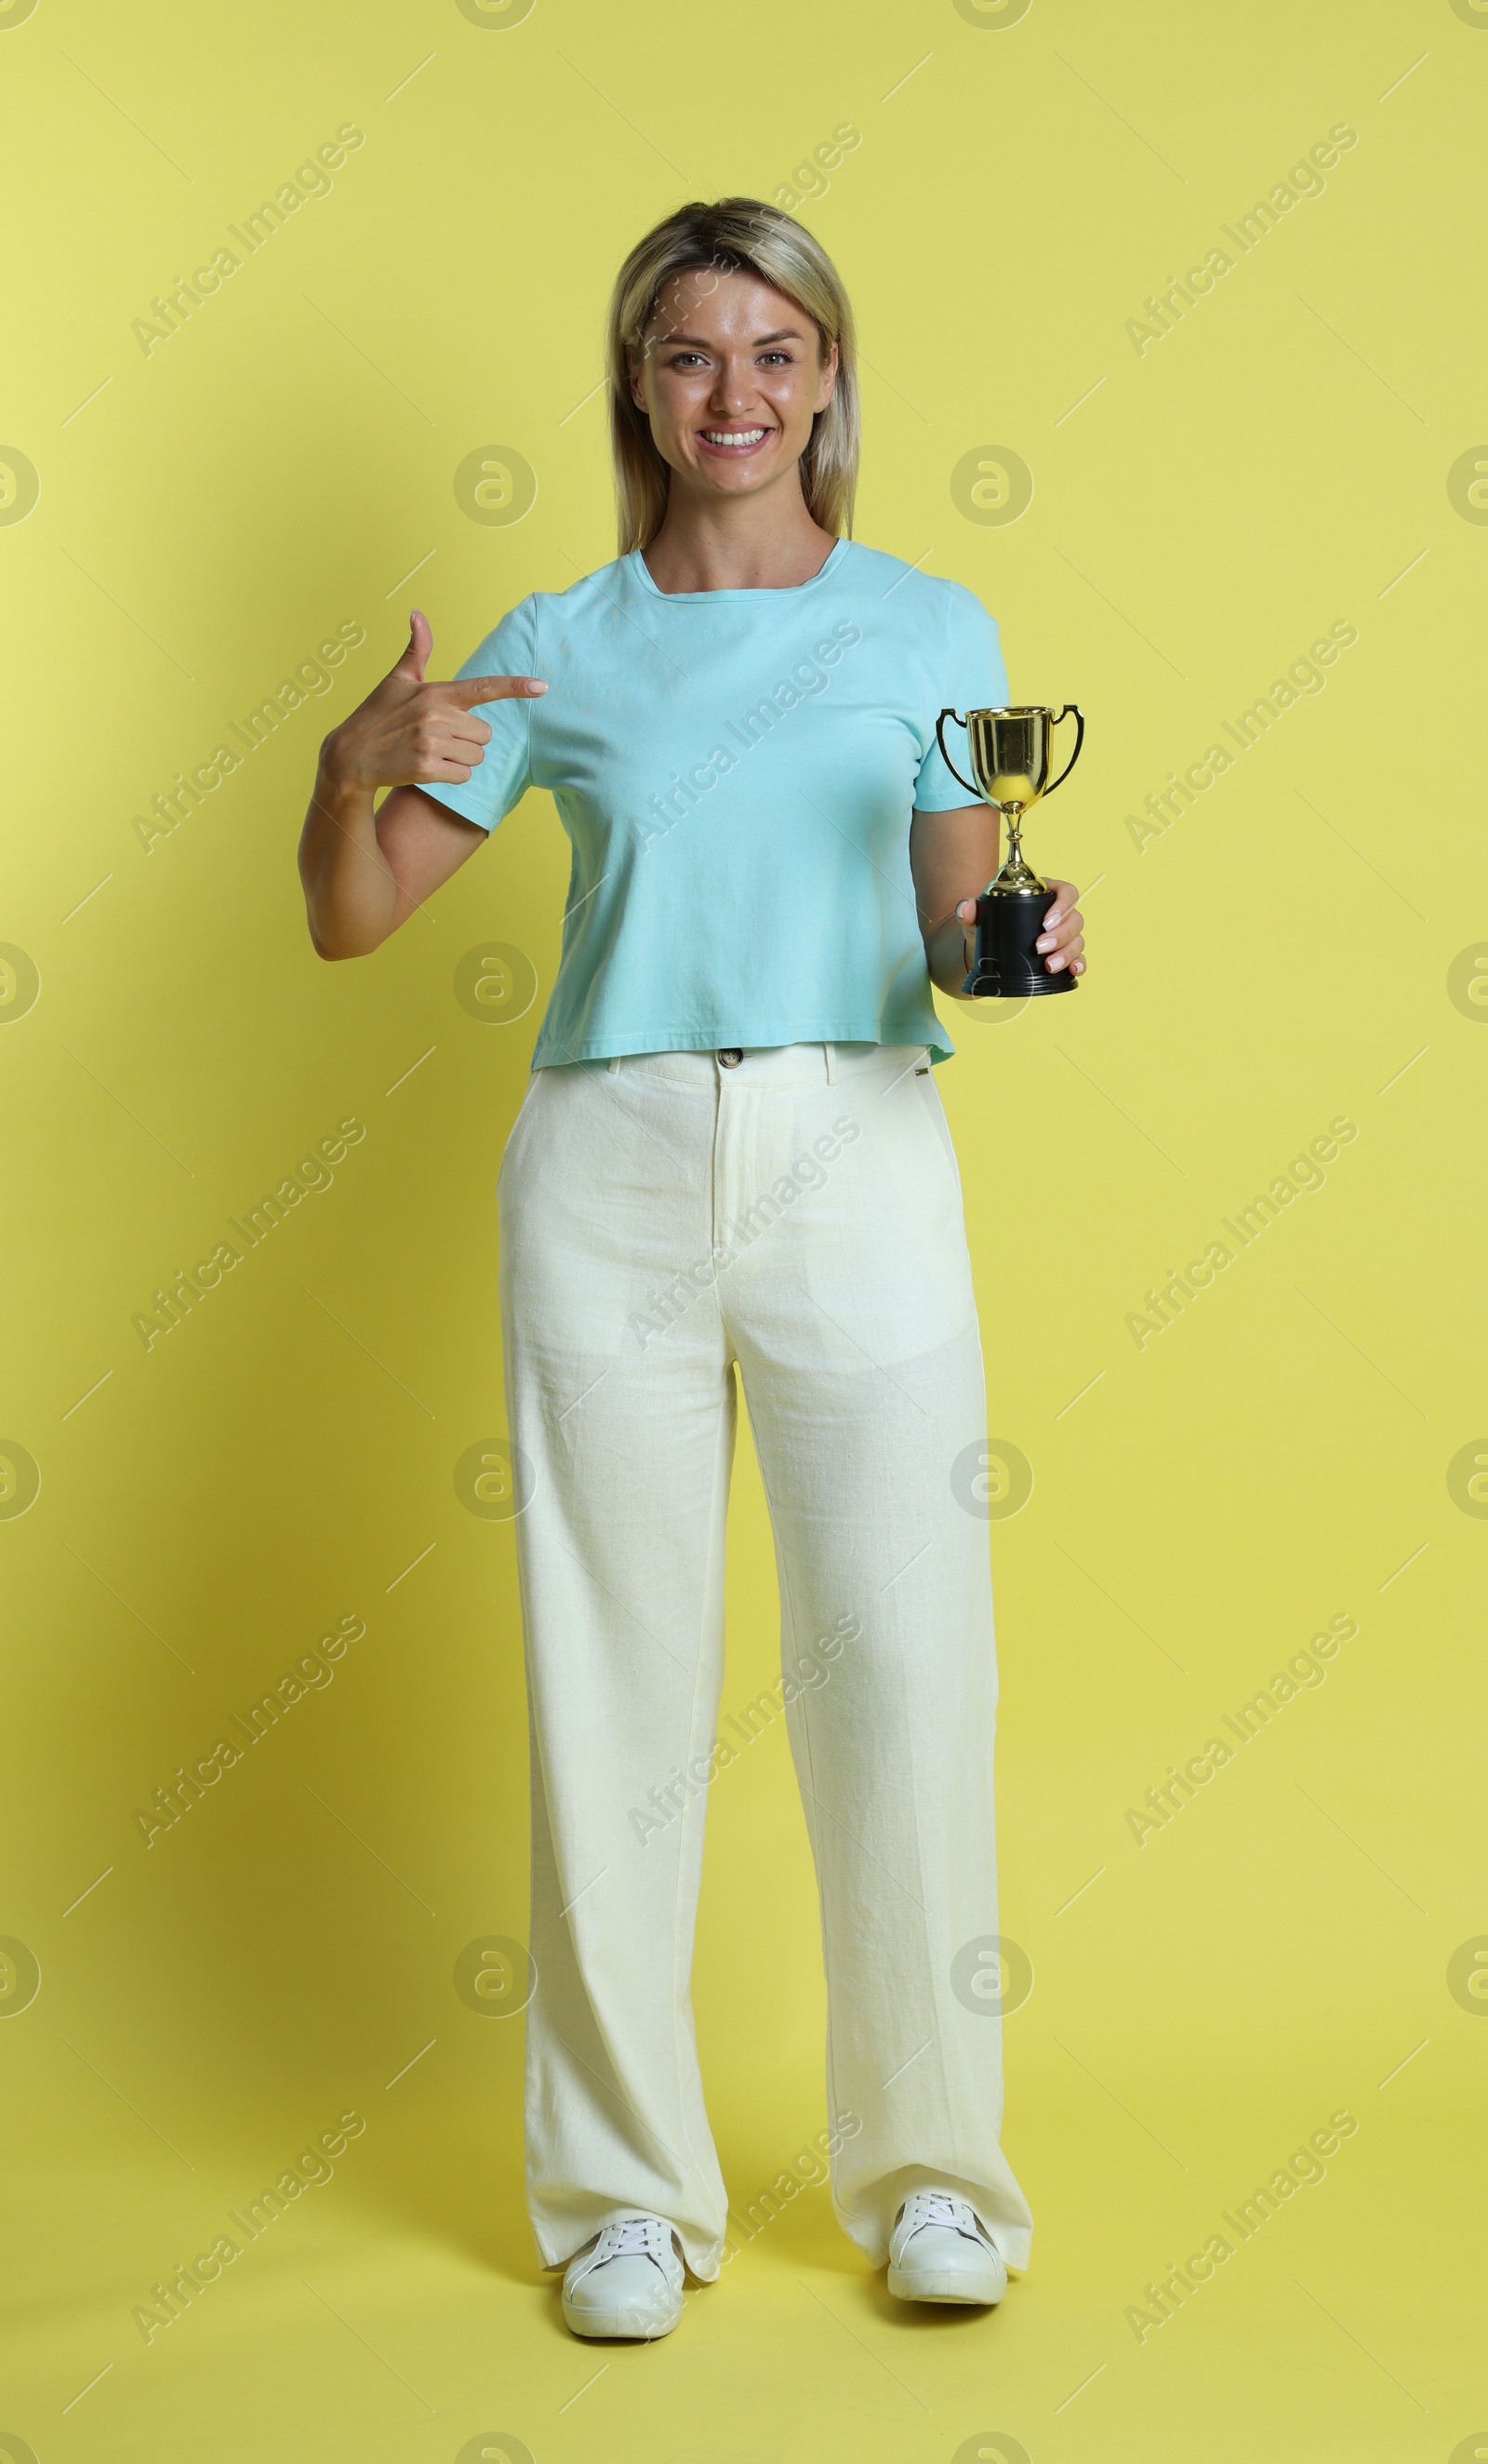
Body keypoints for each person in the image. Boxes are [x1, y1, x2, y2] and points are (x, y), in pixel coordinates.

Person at [297, 196, 1085, 2344]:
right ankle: (619, 2194)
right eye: (683, 353)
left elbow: (946, 918)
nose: (729, 392)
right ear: (636, 383)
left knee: (905, 1671)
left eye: (771, 350)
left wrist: (1015, 942)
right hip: (611, 1165)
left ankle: (932, 2174)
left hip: (856, 1142)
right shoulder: (560, 637)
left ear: (827, 377)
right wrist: (341, 771)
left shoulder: (931, 623)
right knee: (610, 1690)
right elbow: (353, 914)